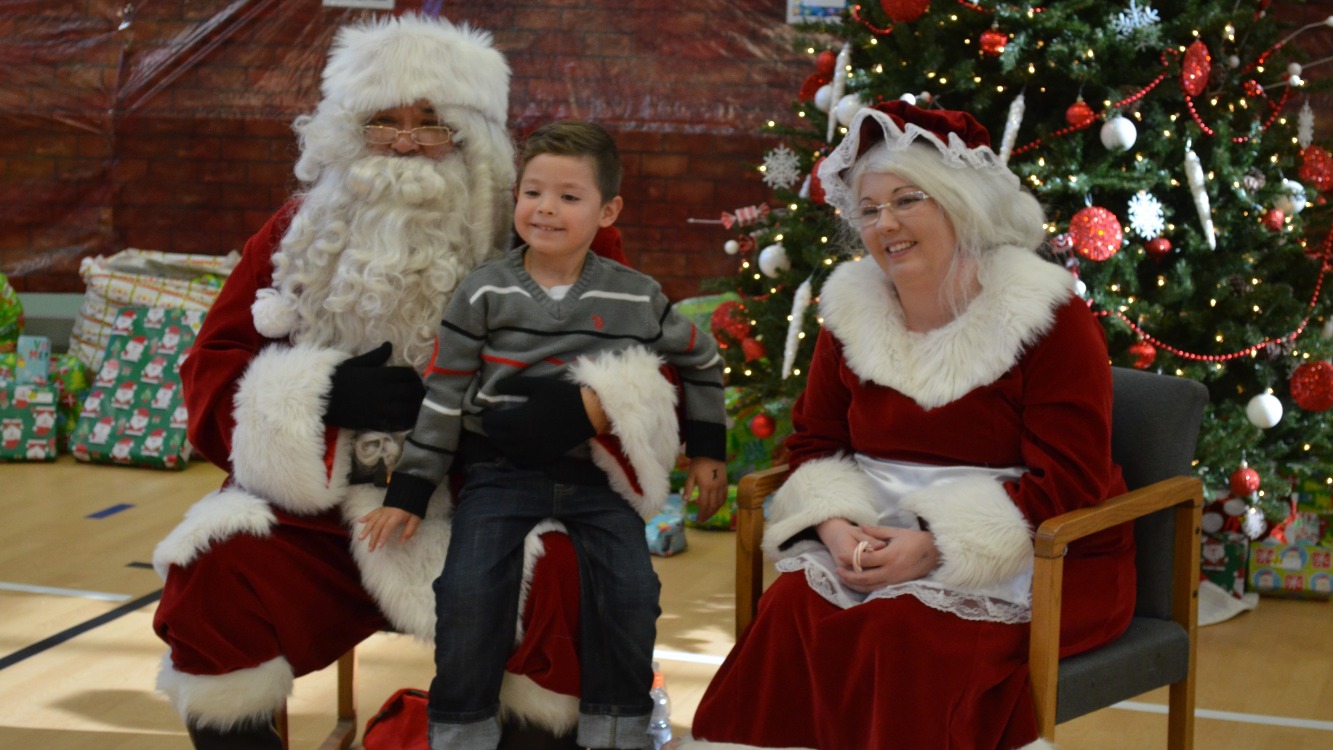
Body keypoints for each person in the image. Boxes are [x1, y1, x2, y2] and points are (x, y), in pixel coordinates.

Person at [150, 15, 679, 750]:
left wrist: (584, 407)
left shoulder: (539, 225)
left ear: (472, 136)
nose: (403, 141)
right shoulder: (294, 233)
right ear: (344, 129)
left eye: (428, 124)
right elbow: (214, 362)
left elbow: (650, 361)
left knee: (563, 579)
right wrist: (316, 395)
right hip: (326, 509)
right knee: (215, 572)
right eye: (382, 122)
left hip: (486, 496)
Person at [681, 102, 1137, 750]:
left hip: (1036, 548)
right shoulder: (850, 312)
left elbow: (1070, 479)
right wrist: (834, 531)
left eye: (904, 200)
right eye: (868, 209)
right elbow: (814, 444)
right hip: (873, 530)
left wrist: (935, 545)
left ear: (959, 201)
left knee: (902, 631)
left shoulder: (1048, 317)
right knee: (790, 612)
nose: (883, 224)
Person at [359, 120, 729, 750]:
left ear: (607, 209)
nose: (546, 209)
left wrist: (708, 452)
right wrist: (410, 489)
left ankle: (616, 732)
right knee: (470, 589)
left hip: (596, 481)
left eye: (568, 196)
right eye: (533, 193)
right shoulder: (484, 289)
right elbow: (445, 395)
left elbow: (701, 358)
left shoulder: (636, 296)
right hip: (501, 475)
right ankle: (461, 731)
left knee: (633, 592)